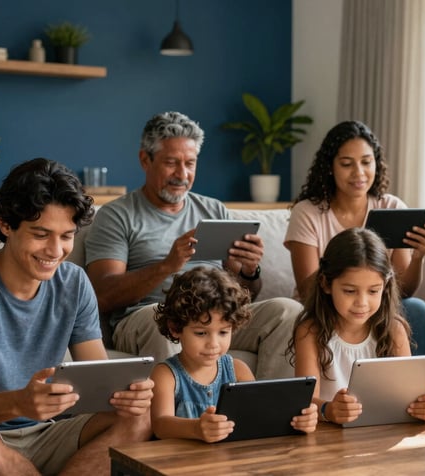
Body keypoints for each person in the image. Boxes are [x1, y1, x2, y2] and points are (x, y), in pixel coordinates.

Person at [0, 158, 154, 475]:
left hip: (51, 432)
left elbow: (100, 382)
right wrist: (18, 403)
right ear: (6, 224)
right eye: (41, 234)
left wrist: (128, 395)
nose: (55, 250)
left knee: (140, 416)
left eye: (66, 236)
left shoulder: (73, 282)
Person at [84, 111, 300, 379]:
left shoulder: (213, 210)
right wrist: (167, 266)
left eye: (190, 163)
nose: (182, 174)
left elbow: (244, 295)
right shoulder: (117, 215)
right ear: (145, 159)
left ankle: (266, 411)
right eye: (171, 163)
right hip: (149, 315)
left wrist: (248, 271)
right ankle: (175, 417)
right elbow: (102, 296)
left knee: (288, 311)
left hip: (216, 316)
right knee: (163, 318)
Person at [284, 120, 425, 355]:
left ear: (377, 164)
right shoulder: (308, 212)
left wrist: (418, 258)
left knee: (416, 310)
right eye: (346, 164)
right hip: (326, 306)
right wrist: (349, 286)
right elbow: (307, 290)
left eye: (366, 162)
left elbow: (402, 292)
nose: (359, 173)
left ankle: (410, 387)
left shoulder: (392, 206)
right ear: (330, 167)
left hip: (376, 307)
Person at [287, 227, 425, 424]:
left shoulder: (394, 330)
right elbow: (306, 401)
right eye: (350, 291)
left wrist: (424, 405)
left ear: (385, 286)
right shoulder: (310, 332)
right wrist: (329, 410)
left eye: (373, 291)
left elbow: (408, 399)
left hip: (381, 434)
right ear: (326, 284)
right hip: (329, 438)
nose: (362, 302)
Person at [150, 266, 317, 442]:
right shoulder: (166, 375)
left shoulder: (238, 370)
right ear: (175, 328)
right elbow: (161, 426)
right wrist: (196, 428)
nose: (213, 344)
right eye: (201, 333)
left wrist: (299, 419)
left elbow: (259, 414)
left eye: (223, 332)